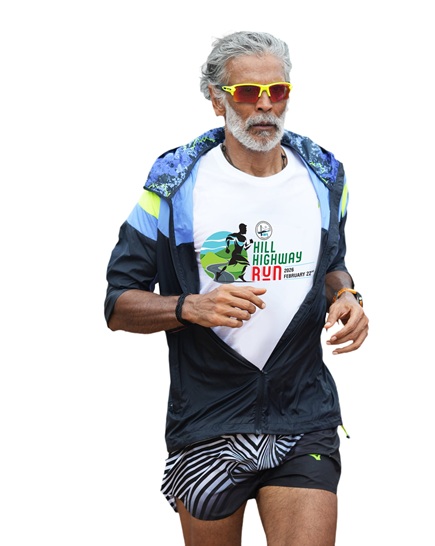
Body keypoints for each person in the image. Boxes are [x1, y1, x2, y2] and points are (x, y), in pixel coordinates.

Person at [105, 30, 369, 546]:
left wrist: (346, 295)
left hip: (302, 414)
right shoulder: (173, 183)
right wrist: (190, 307)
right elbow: (118, 303)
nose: (265, 105)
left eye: (278, 91)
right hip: (208, 419)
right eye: (248, 92)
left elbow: (332, 263)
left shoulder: (325, 175)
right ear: (216, 99)